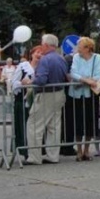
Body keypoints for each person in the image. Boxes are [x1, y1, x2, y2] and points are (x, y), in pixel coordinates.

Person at [24, 34, 69, 165]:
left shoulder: (45, 60)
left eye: (42, 44)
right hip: (59, 93)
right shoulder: (61, 59)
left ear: (47, 45)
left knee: (34, 125)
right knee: (54, 126)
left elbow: (41, 80)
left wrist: (30, 81)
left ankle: (34, 156)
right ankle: (53, 155)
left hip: (45, 95)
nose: (41, 46)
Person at [11, 46, 41, 161]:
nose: (39, 55)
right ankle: (24, 150)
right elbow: (14, 83)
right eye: (37, 52)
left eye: (42, 53)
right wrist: (21, 83)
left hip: (37, 100)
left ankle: (36, 151)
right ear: (32, 54)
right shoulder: (23, 67)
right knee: (23, 125)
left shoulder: (42, 68)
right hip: (22, 101)